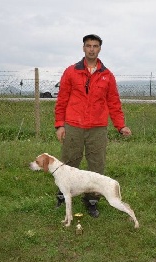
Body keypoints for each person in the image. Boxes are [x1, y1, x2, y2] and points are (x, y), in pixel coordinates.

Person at [54, 34, 132, 217]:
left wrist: (120, 126)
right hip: (73, 125)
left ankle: (91, 201)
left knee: (96, 165)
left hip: (97, 127)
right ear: (83, 48)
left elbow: (114, 102)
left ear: (99, 49)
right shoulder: (71, 72)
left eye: (95, 46)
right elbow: (62, 100)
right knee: (69, 162)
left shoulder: (107, 76)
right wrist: (60, 125)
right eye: (88, 45)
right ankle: (63, 197)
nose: (91, 49)